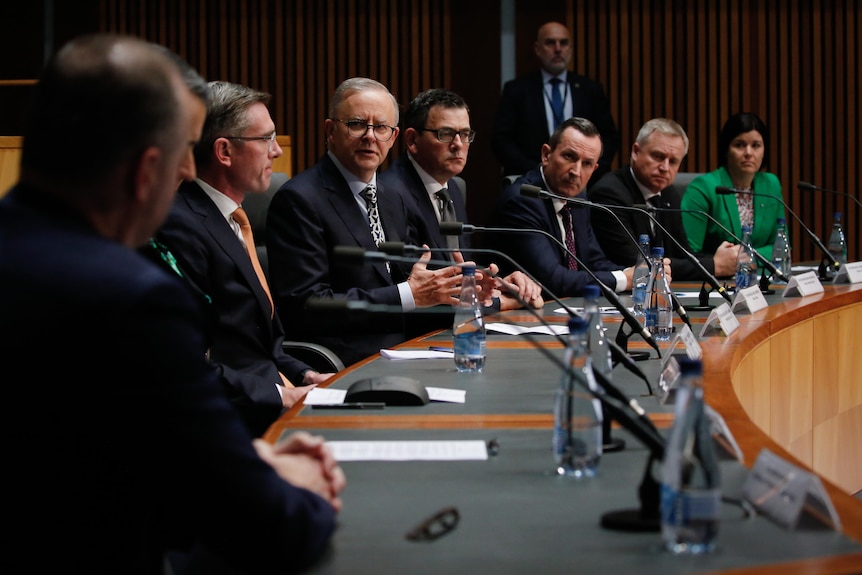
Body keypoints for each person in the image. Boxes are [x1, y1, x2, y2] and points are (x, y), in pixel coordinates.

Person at [0, 33, 343, 572]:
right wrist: (296, 482)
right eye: (186, 150)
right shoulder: (128, 299)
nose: (189, 171)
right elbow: (266, 524)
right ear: (145, 170)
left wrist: (236, 457)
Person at [154, 81, 333, 438]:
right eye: (266, 139)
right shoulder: (179, 228)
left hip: (272, 399)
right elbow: (184, 363)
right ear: (224, 151)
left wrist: (304, 374)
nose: (277, 152)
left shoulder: (232, 218)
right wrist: (282, 395)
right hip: (232, 421)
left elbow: (258, 343)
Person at [266, 77, 479, 367]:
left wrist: (470, 293)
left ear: (393, 137)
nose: (370, 136)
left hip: (406, 351)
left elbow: (410, 284)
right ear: (330, 131)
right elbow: (309, 306)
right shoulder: (300, 199)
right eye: (356, 124)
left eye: (381, 128)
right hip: (343, 361)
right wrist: (408, 294)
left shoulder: (392, 196)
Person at [378, 87, 544, 310]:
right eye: (445, 134)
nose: (458, 144)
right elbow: (420, 292)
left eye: (465, 134)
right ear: (412, 140)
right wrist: (501, 302)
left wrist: (499, 283)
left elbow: (457, 268)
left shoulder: (454, 187)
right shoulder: (391, 193)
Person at [488, 117, 664, 297]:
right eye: (569, 157)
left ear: (594, 169)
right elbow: (553, 279)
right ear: (546, 155)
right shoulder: (523, 201)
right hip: (518, 315)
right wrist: (623, 279)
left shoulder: (577, 197)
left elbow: (594, 261)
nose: (576, 172)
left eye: (586, 163)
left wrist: (641, 274)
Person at [587, 118, 738, 279]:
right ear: (636, 152)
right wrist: (714, 265)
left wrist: (722, 259)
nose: (665, 168)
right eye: (658, 156)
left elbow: (682, 253)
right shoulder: (609, 194)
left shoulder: (668, 193)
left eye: (673, 161)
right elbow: (636, 262)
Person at [491, 21, 620, 185]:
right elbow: (501, 140)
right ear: (538, 49)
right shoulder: (517, 90)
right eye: (550, 42)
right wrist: (540, 170)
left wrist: (588, 169)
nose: (558, 48)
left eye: (563, 43)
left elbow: (608, 137)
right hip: (530, 181)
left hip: (582, 183)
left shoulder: (590, 89)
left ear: (571, 49)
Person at [681, 112, 785, 265]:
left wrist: (744, 257)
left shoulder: (771, 184)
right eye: (740, 145)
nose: (748, 153)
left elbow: (781, 246)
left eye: (756, 145)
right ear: (726, 150)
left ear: (764, 150)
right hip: (716, 281)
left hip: (760, 281)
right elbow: (688, 254)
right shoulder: (704, 188)